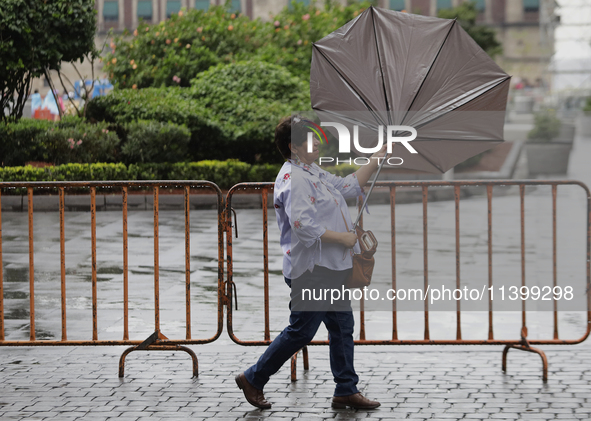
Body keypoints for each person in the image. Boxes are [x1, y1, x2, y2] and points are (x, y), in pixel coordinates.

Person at [235, 115, 386, 410]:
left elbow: (345, 187)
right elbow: (304, 227)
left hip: (330, 268)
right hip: (313, 270)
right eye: (309, 138)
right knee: (302, 331)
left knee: (342, 327)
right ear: (293, 146)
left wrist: (376, 160)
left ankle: (346, 389)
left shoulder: (311, 171)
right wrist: (342, 240)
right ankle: (253, 378)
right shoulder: (294, 179)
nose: (316, 141)